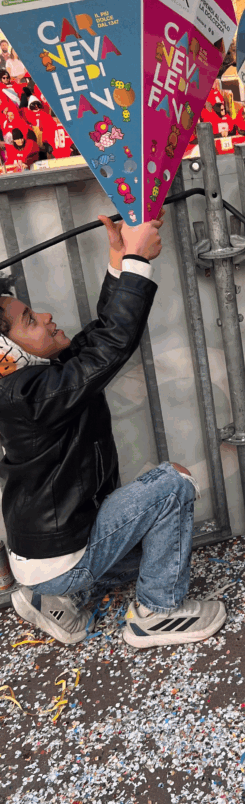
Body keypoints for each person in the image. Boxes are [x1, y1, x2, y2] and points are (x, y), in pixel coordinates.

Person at [0, 212, 226, 648]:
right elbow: (111, 346)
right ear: (5, 354)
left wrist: (120, 261)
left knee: (150, 551)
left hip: (44, 553)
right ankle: (157, 614)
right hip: (62, 556)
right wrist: (138, 260)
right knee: (173, 483)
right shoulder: (31, 395)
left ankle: (53, 598)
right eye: (29, 320)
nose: (45, 315)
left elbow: (101, 338)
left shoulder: (33, 382)